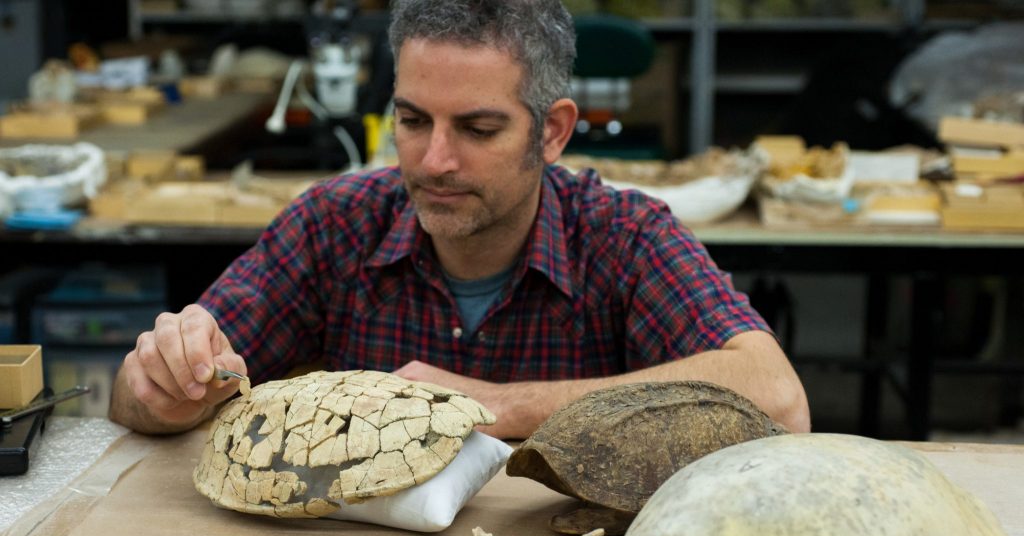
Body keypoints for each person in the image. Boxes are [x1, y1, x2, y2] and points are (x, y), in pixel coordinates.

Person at [109, 0, 810, 439]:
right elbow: (130, 400)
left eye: (477, 129)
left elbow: (778, 401)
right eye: (412, 121)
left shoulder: (623, 238)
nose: (434, 160)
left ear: (552, 131)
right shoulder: (334, 225)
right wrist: (164, 387)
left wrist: (506, 408)